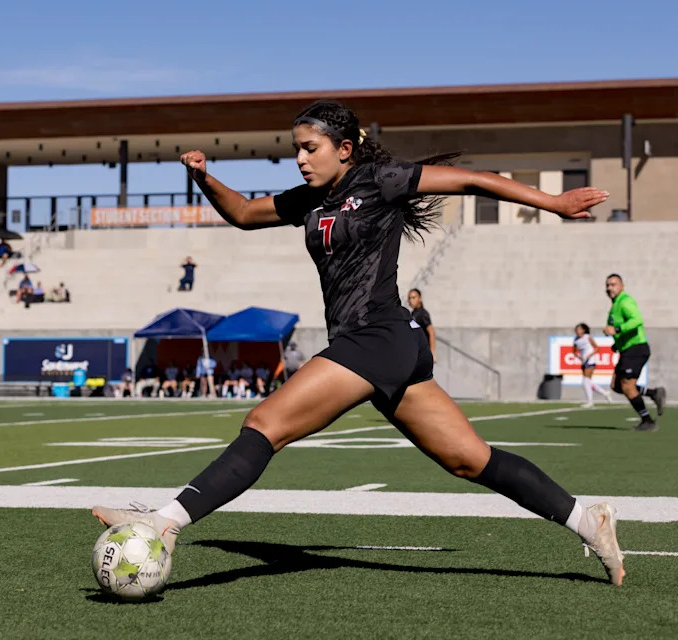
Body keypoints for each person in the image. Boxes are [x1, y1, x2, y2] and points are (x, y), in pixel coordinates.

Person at [93, 100, 627, 586]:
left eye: (311, 148)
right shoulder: (309, 200)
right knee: (471, 460)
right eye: (295, 149)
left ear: (344, 149)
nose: (300, 159)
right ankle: (589, 519)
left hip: (378, 337)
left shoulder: (382, 179)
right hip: (378, 346)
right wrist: (205, 178)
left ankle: (164, 521)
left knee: (264, 425)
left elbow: (470, 180)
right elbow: (241, 213)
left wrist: (552, 202)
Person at [603, 274, 666, 430]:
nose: (610, 288)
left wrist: (617, 329)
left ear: (622, 286)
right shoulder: (615, 305)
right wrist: (617, 344)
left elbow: (637, 320)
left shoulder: (625, 302)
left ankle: (648, 421)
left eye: (613, 284)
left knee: (627, 385)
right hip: (627, 350)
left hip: (636, 348)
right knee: (616, 385)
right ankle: (652, 393)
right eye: (608, 285)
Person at [572, 323, 612, 408]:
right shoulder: (576, 340)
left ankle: (590, 402)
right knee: (588, 382)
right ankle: (605, 393)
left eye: (579, 329)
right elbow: (574, 351)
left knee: (585, 381)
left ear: (583, 330)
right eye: (576, 330)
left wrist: (590, 355)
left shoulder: (587, 337)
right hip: (584, 362)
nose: (577, 331)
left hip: (590, 361)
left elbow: (597, 347)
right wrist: (579, 357)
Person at [408, 288, 436, 363]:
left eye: (414, 298)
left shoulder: (423, 314)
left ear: (420, 299)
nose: (411, 300)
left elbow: (431, 332)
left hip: (423, 352)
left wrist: (432, 352)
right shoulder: (413, 313)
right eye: (409, 298)